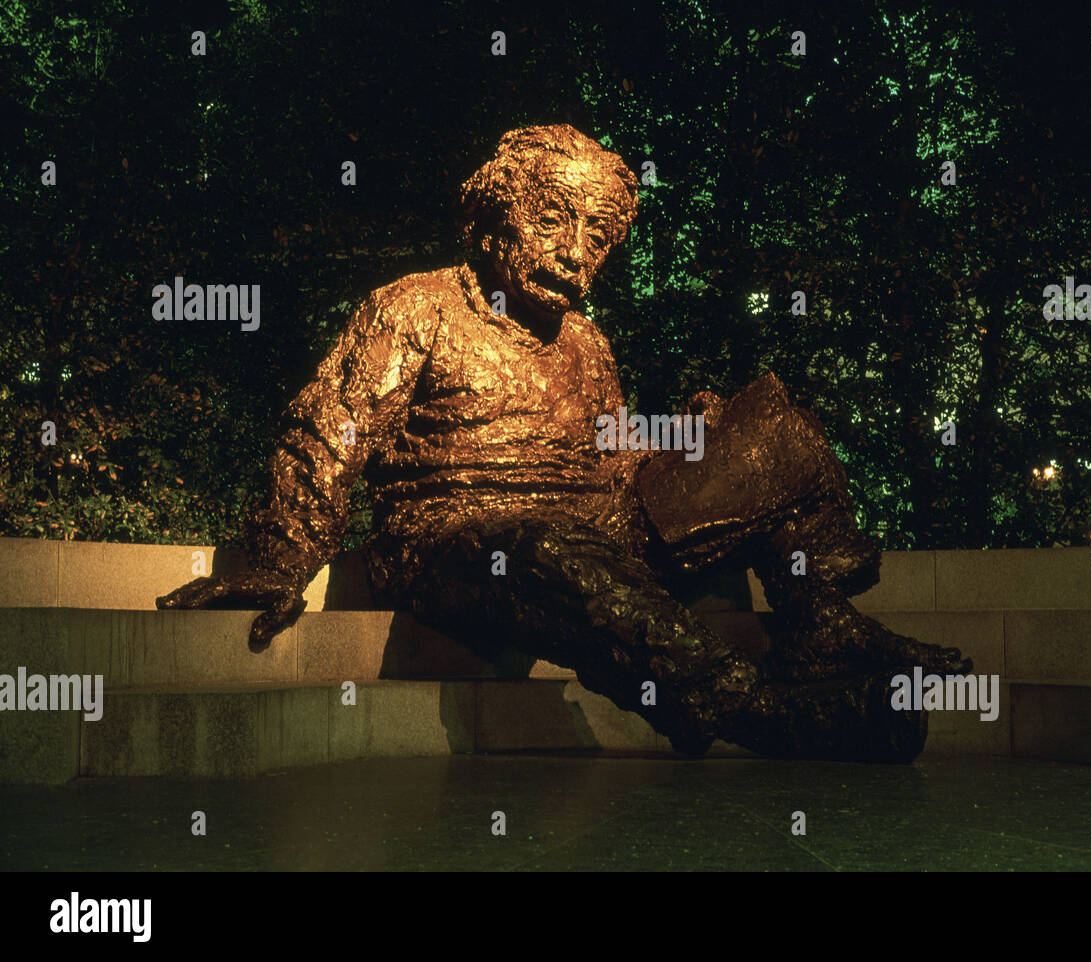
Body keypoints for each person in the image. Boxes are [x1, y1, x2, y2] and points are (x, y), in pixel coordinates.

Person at [158, 124, 970, 761]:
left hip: (588, 514)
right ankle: (759, 712)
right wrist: (278, 555)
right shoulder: (417, 309)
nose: (577, 253)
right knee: (546, 545)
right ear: (490, 217)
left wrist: (687, 437)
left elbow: (607, 454)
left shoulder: (586, 342)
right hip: (454, 535)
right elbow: (329, 426)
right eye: (554, 220)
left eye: (599, 237)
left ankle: (818, 619)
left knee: (769, 424)